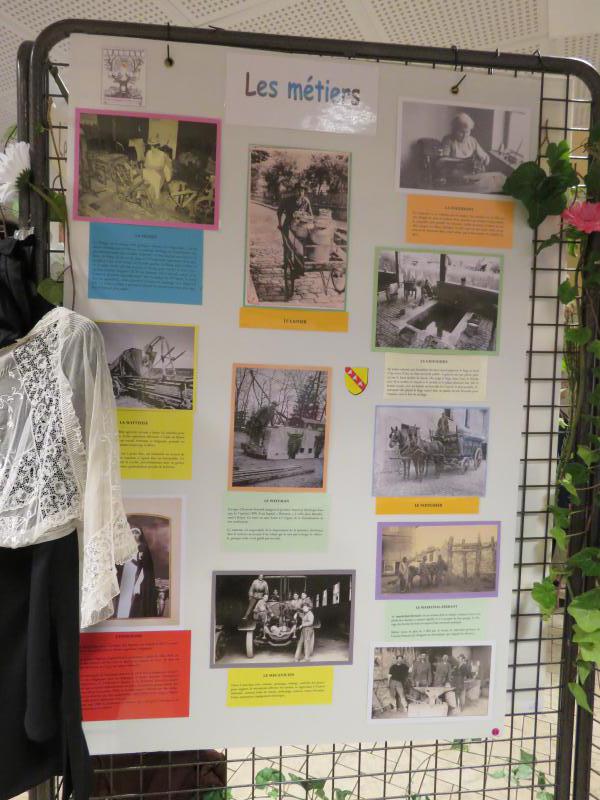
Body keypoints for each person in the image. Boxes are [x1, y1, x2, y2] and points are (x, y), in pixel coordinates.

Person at [116, 527, 156, 619]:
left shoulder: (143, 547)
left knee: (133, 595)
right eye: (132, 533)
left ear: (140, 535)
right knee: (124, 594)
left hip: (137, 574)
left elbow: (146, 566)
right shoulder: (126, 547)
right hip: (126, 573)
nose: (134, 535)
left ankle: (131, 616)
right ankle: (122, 616)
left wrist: (139, 580)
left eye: (136, 533)